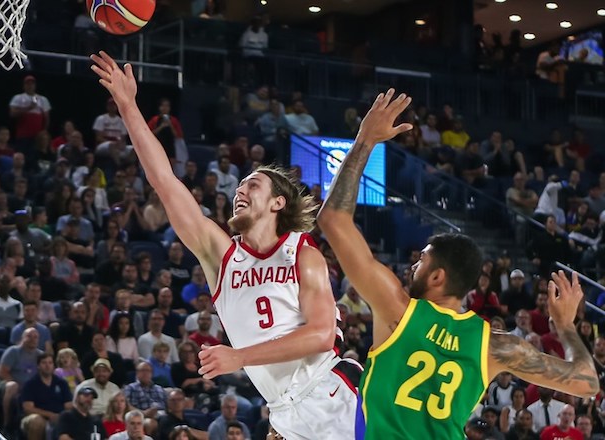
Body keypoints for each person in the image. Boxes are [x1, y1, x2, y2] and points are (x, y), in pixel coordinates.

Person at [92, 51, 356, 440]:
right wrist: (129, 107)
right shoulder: (222, 255)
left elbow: (320, 335)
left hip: (329, 396)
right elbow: (164, 181)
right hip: (284, 412)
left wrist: (239, 357)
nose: (240, 191)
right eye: (239, 186)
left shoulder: (303, 253)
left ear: (278, 203)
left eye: (253, 185)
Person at [317, 88, 598, 439]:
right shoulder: (496, 345)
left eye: (421, 261)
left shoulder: (397, 309)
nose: (412, 267)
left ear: (437, 276)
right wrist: (565, 325)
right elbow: (587, 383)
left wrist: (365, 140)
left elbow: (333, 219)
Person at [19, 353, 73, 440]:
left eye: (50, 363)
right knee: (37, 421)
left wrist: (62, 417)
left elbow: (68, 405)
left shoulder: (62, 383)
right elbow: (28, 408)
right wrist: (50, 415)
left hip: (59, 417)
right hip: (37, 417)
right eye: (44, 363)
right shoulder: (30, 384)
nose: (47, 366)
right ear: (38, 366)